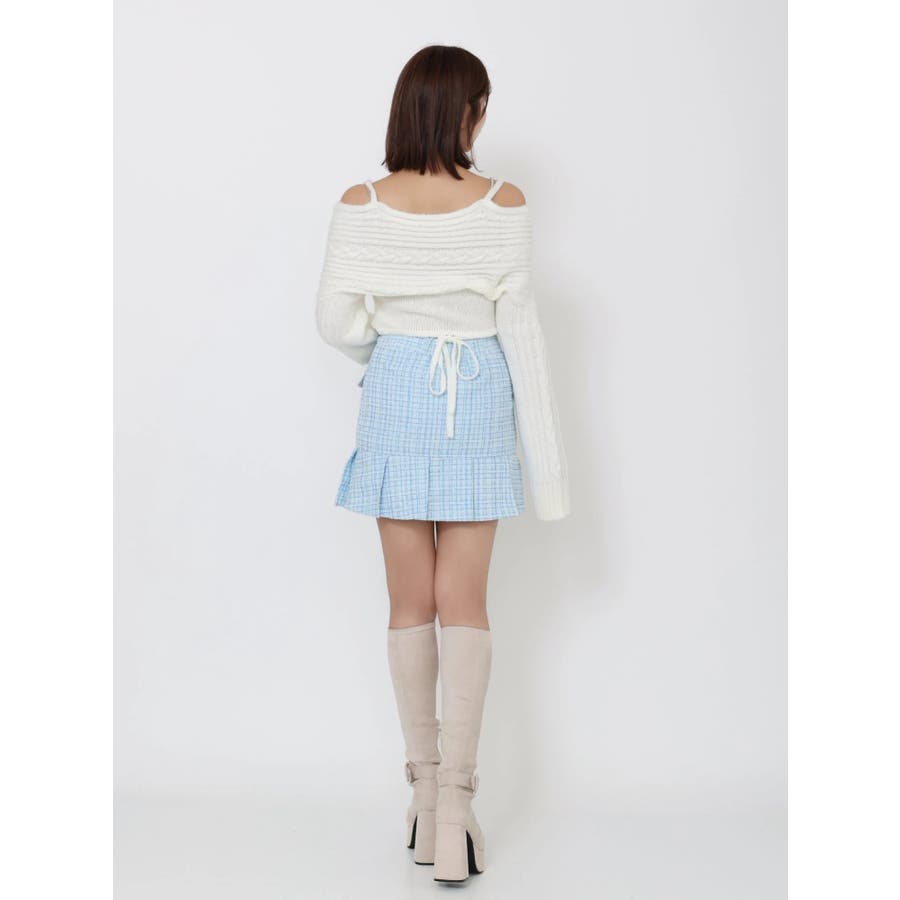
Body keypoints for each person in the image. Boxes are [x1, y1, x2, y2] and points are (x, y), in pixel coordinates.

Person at [314, 44, 570, 883]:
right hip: (479, 395)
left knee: (408, 602)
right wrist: (551, 475)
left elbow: (335, 321)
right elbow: (521, 333)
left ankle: (425, 799)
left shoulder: (361, 203)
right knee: (465, 601)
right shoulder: (505, 203)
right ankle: (457, 807)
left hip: (397, 390)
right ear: (472, 111)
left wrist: (390, 347)